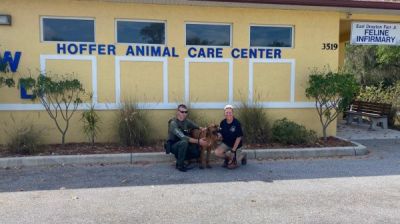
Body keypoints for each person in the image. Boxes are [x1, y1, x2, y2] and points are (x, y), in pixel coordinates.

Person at [167, 104, 208, 172]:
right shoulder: (173, 123)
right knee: (184, 142)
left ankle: (185, 158)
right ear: (178, 112)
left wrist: (202, 129)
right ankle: (180, 165)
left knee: (196, 152)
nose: (184, 114)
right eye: (182, 112)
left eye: (186, 112)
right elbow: (183, 137)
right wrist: (198, 141)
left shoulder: (186, 121)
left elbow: (196, 126)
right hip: (174, 145)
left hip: (184, 144)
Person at [214, 104, 247, 169]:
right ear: (224, 113)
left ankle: (243, 156)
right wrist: (218, 136)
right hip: (226, 143)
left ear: (232, 113)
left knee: (231, 166)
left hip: (236, 146)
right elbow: (220, 133)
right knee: (217, 152)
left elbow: (239, 137)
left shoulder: (237, 123)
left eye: (230, 112)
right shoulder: (222, 122)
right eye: (226, 112)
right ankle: (228, 159)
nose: (228, 114)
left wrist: (233, 150)